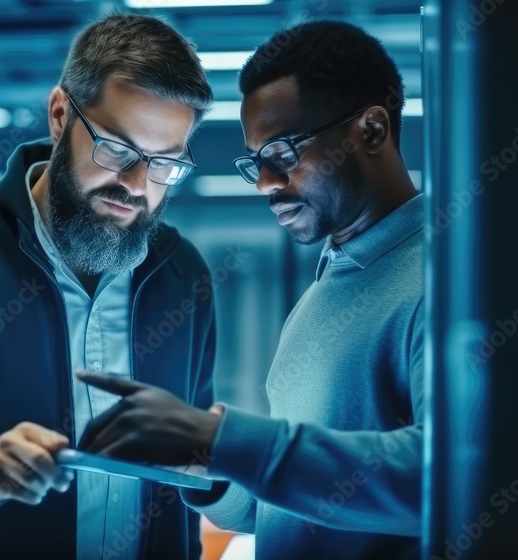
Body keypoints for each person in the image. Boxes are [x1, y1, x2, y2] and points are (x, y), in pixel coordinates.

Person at [0, 14, 217, 560]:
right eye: (118, 152)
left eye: (165, 164)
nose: (138, 187)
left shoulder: (181, 274)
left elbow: (190, 467)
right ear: (59, 115)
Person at [79, 20, 424, 560]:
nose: (265, 183)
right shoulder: (330, 283)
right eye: (256, 162)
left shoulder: (446, 283)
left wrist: (225, 439)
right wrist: (199, 462)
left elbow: (453, 476)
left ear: (372, 130)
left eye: (283, 155)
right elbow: (297, 506)